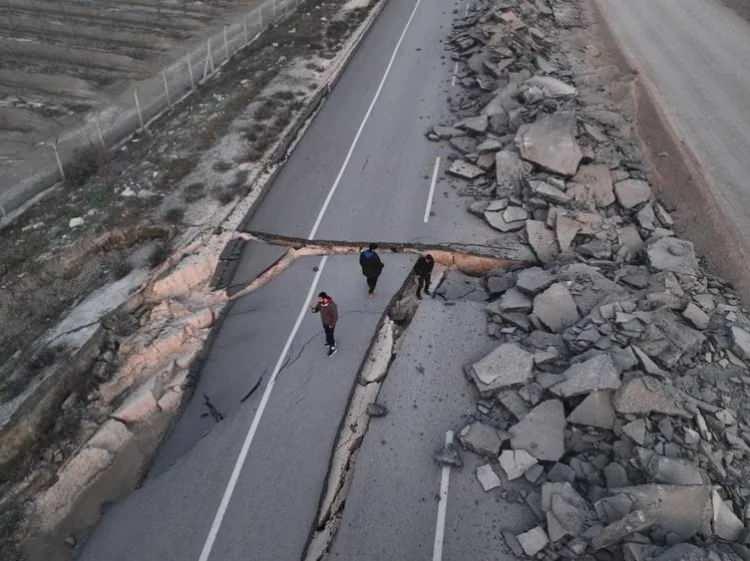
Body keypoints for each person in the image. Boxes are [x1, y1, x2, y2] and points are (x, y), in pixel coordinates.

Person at [311, 291, 338, 357]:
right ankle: (330, 342)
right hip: (324, 322)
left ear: (324, 298)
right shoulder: (320, 303)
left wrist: (332, 324)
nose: (319, 300)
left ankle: (333, 348)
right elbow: (317, 309)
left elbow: (335, 316)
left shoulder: (331, 305)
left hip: (330, 324)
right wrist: (314, 310)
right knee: (327, 333)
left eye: (320, 298)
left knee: (330, 335)